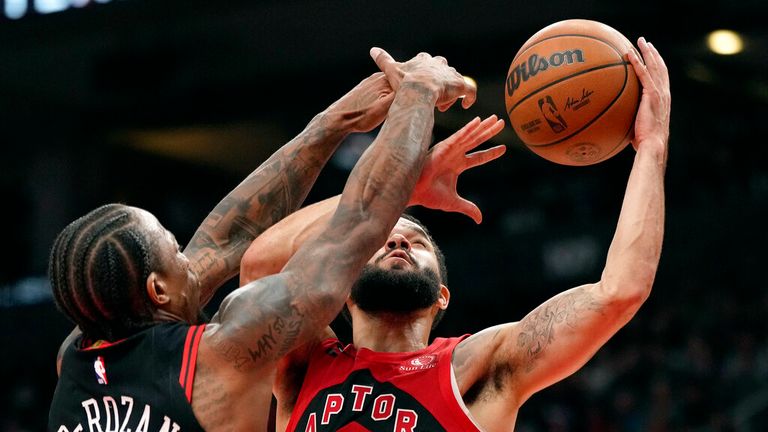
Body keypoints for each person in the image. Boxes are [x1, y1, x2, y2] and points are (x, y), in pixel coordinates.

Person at [240, 38, 670, 431]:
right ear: (344, 288)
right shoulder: (304, 363)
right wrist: (403, 188)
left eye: (419, 242)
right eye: (379, 238)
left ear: (442, 295)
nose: (398, 241)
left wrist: (651, 147)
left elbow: (620, 291)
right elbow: (260, 264)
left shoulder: (477, 367)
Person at [47, 48, 482, 432]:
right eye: (175, 249)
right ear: (157, 290)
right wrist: (419, 92)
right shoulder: (223, 353)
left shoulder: (77, 357)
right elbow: (362, 222)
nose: (189, 255)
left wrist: (334, 122)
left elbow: (226, 239)